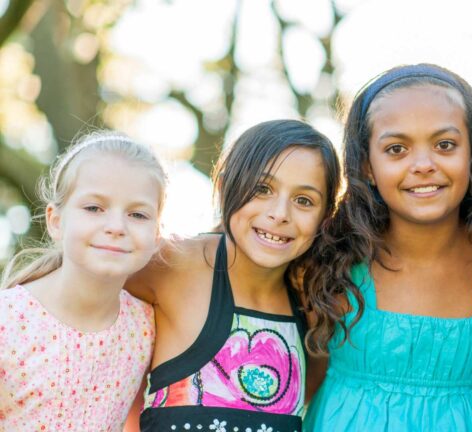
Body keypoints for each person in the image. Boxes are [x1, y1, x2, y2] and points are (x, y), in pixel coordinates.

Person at [302, 63, 472, 431]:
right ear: (367, 166)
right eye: (396, 149)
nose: (423, 164)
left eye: (445, 145)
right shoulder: (332, 261)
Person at [129, 120, 339, 432]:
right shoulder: (174, 264)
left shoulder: (314, 309)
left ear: (325, 217)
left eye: (303, 200)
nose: (280, 213)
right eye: (262, 189)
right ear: (224, 187)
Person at [0, 132, 165, 431]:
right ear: (56, 221)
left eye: (137, 214)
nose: (116, 227)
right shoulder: (8, 321)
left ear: (156, 236)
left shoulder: (145, 327)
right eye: (94, 208)